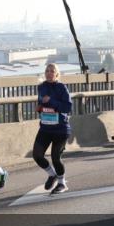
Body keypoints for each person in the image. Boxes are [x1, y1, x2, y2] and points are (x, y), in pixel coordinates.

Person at [33, 63, 74, 194]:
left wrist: (51, 101)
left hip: (60, 129)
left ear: (57, 74)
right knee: (37, 155)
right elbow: (41, 103)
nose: (49, 73)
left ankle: (62, 183)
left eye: (52, 71)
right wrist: (39, 107)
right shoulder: (41, 87)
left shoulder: (61, 87)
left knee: (56, 157)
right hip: (45, 128)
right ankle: (52, 174)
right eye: (47, 71)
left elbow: (67, 107)